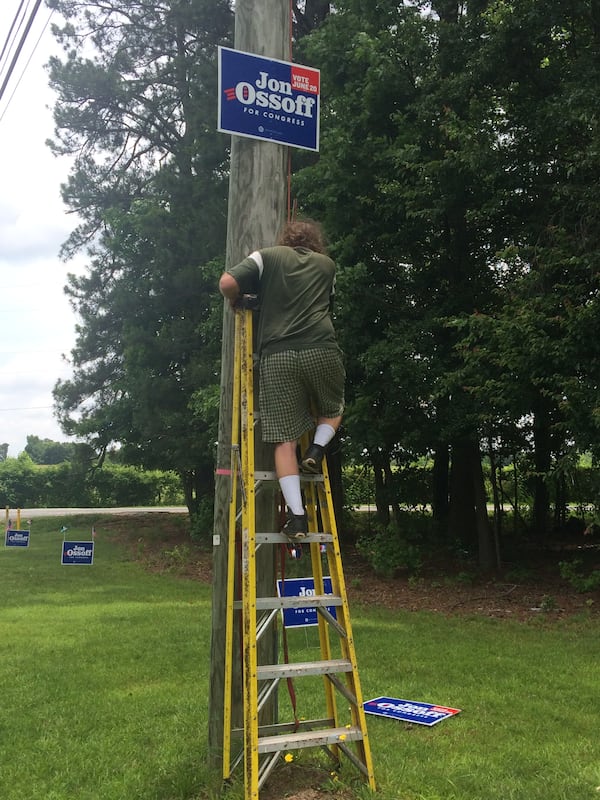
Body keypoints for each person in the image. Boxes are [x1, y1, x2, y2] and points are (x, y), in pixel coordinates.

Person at [219, 218, 345, 541]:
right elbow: (326, 303)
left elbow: (227, 282)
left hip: (278, 356)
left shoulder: (268, 257)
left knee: (284, 442)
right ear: (315, 243)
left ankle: (298, 519)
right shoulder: (327, 266)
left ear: (286, 240)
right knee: (332, 409)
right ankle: (316, 450)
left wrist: (240, 300)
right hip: (321, 349)